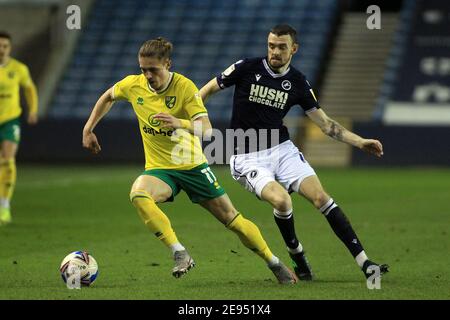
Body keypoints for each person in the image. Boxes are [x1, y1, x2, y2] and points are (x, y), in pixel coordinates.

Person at [82, 37, 297, 284]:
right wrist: (88, 128)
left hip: (193, 166)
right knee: (138, 194)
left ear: (168, 64)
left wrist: (180, 123)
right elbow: (108, 96)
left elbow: (207, 130)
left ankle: (274, 263)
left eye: (153, 69)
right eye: (143, 69)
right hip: (160, 169)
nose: (148, 75)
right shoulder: (133, 85)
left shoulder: (185, 88)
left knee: (232, 220)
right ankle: (180, 253)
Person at [199, 24, 389, 280]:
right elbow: (207, 90)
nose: (274, 51)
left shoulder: (298, 82)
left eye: (281, 47)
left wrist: (360, 142)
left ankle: (366, 263)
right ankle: (296, 252)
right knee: (282, 201)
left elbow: (326, 125)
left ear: (294, 49)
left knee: (321, 198)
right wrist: (196, 118)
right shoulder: (246, 67)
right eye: (271, 46)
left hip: (282, 149)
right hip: (245, 155)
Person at [0, 31, 38, 226]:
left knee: (7, 161)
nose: (1, 49)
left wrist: (33, 109)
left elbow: (29, 88)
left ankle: (4, 205)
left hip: (10, 120)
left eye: (5, 46)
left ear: (10, 47)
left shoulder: (18, 68)